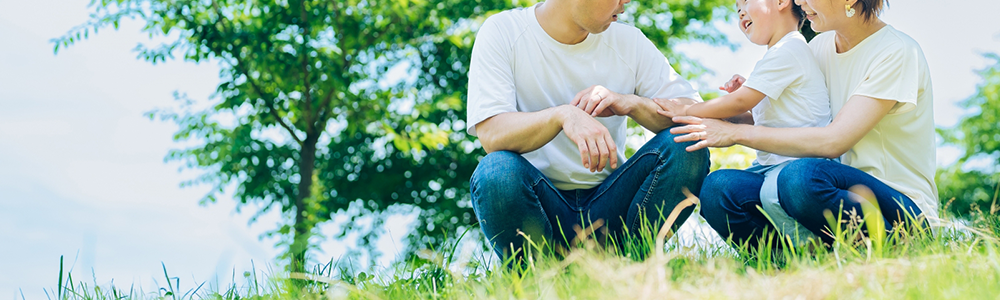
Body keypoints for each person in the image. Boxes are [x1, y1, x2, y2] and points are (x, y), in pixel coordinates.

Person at [670, 0, 936, 248]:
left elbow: (833, 141)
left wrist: (736, 133)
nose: (800, 2)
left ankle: (895, 247)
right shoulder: (819, 47)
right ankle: (790, 262)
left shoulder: (897, 52)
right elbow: (798, 122)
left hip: (900, 209)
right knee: (719, 187)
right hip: (826, 187)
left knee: (798, 178)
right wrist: (748, 110)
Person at [466, 0, 710, 264]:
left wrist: (631, 103)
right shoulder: (503, 31)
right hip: (538, 204)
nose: (626, 2)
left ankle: (633, 268)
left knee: (687, 143)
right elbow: (491, 134)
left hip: (612, 205)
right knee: (495, 171)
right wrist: (562, 115)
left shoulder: (629, 42)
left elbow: (695, 111)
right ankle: (536, 278)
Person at [655, 0, 831, 246]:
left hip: (797, 169)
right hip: (772, 168)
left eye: (746, 1)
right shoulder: (779, 53)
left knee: (735, 187)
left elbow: (740, 101)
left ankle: (809, 245)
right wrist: (735, 111)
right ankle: (774, 256)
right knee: (716, 189)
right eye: (736, 7)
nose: (740, 11)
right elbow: (758, 116)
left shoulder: (790, 48)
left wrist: (686, 109)